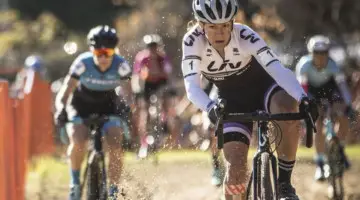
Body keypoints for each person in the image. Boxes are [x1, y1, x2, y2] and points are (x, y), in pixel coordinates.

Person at [181, 0, 318, 199]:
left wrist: (302, 98)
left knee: (288, 107)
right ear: (201, 25)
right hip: (231, 99)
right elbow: (192, 87)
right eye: (212, 27)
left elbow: (277, 69)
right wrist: (210, 107)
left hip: (264, 89)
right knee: (236, 171)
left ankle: (284, 184)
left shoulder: (245, 34)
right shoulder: (191, 41)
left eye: (225, 26)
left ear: (232, 22)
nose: (220, 33)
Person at [54, 25, 132, 200]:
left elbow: (128, 95)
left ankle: (113, 190)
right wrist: (60, 109)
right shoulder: (82, 63)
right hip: (81, 105)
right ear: (91, 51)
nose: (103, 58)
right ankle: (74, 184)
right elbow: (65, 92)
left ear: (115, 51)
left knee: (115, 143)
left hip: (108, 105)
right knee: (79, 140)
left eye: (108, 53)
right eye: (98, 53)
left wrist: (128, 108)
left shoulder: (121, 66)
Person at [295, 35, 355, 181]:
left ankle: (340, 148)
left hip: (331, 91)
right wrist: (304, 104)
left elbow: (342, 86)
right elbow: (302, 88)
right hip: (313, 92)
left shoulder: (334, 65)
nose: (321, 57)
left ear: (328, 53)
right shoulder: (304, 64)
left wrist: (348, 105)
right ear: (311, 53)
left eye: (324, 53)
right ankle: (320, 164)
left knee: (342, 115)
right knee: (319, 122)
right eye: (317, 53)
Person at [132, 34, 177, 157]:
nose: (152, 49)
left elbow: (169, 74)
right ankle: (144, 143)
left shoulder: (163, 58)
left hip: (161, 83)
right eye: (150, 47)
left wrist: (172, 90)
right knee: (144, 110)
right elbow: (137, 75)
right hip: (147, 83)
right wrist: (137, 91)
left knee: (166, 101)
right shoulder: (142, 58)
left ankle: (165, 120)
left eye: (154, 47)